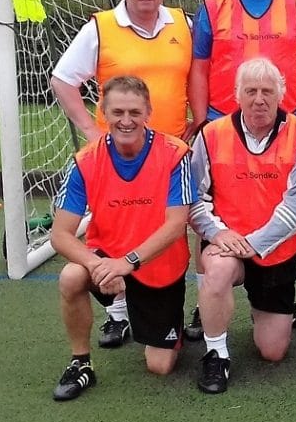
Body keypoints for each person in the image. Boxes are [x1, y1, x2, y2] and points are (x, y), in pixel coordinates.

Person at [50, 0, 197, 350]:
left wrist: (198, 120)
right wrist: (89, 129)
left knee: (185, 226)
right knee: (116, 227)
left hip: (172, 153)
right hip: (118, 154)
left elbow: (202, 74)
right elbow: (63, 79)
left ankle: (190, 308)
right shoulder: (101, 27)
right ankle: (117, 310)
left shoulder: (183, 24)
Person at [188, 0, 296, 337]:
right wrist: (202, 121)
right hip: (223, 125)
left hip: (280, 125)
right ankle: (207, 301)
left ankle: (277, 295)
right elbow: (199, 65)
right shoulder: (213, 5)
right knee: (212, 214)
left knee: (278, 209)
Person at [48, 76, 194, 401]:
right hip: (109, 261)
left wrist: (127, 263)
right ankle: (81, 363)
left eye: (133, 112)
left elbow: (176, 225)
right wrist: (97, 265)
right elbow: (60, 234)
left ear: (148, 112)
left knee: (160, 366)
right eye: (117, 112)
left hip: (159, 268)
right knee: (72, 276)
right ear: (103, 112)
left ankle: (164, 326)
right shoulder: (85, 161)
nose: (125, 121)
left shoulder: (175, 154)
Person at [188, 58, 296, 394]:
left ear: (282, 94)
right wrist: (218, 233)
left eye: (267, 91)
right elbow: (194, 199)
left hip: (274, 251)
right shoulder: (211, 134)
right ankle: (216, 353)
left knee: (273, 351)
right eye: (250, 91)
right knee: (216, 271)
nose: (259, 99)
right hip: (226, 244)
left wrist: (254, 242)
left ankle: (269, 312)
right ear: (237, 95)